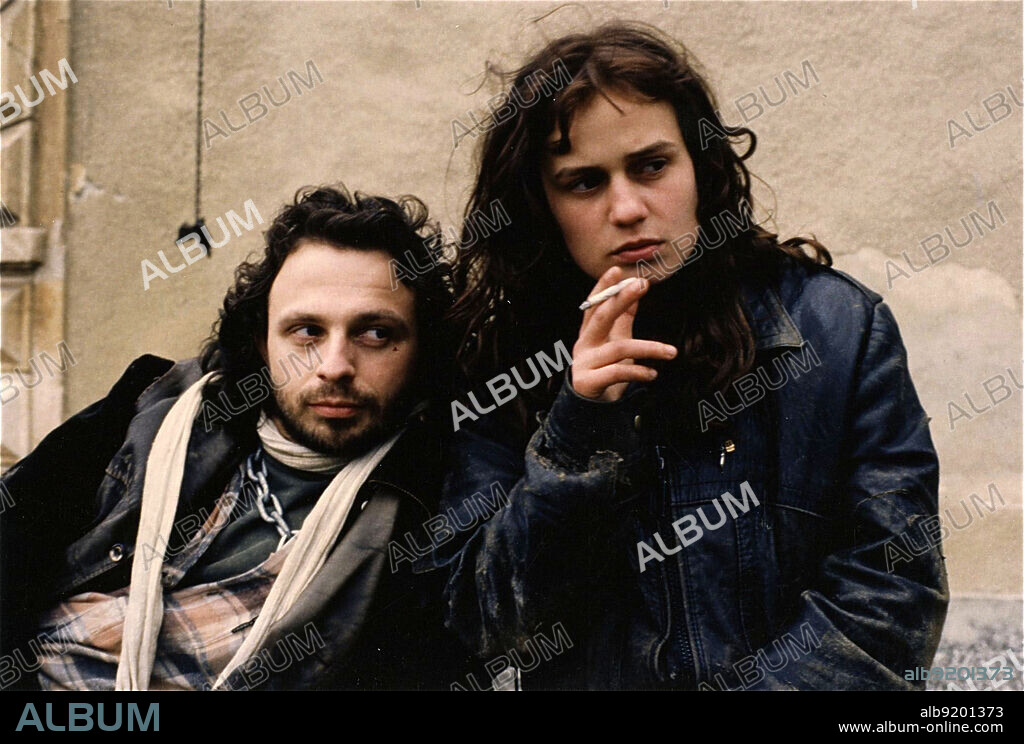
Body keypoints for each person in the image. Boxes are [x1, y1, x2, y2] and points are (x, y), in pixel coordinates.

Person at [435, 22, 948, 690]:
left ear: (699, 168)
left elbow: (892, 596)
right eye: (584, 183)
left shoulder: (837, 331)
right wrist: (576, 426)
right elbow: (483, 620)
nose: (627, 207)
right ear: (542, 204)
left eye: (651, 166)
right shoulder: (505, 366)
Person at [0, 185, 472, 691]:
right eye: (307, 331)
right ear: (261, 341)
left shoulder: (438, 505)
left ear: (422, 348)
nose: (335, 367)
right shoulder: (152, 410)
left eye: (375, 334)